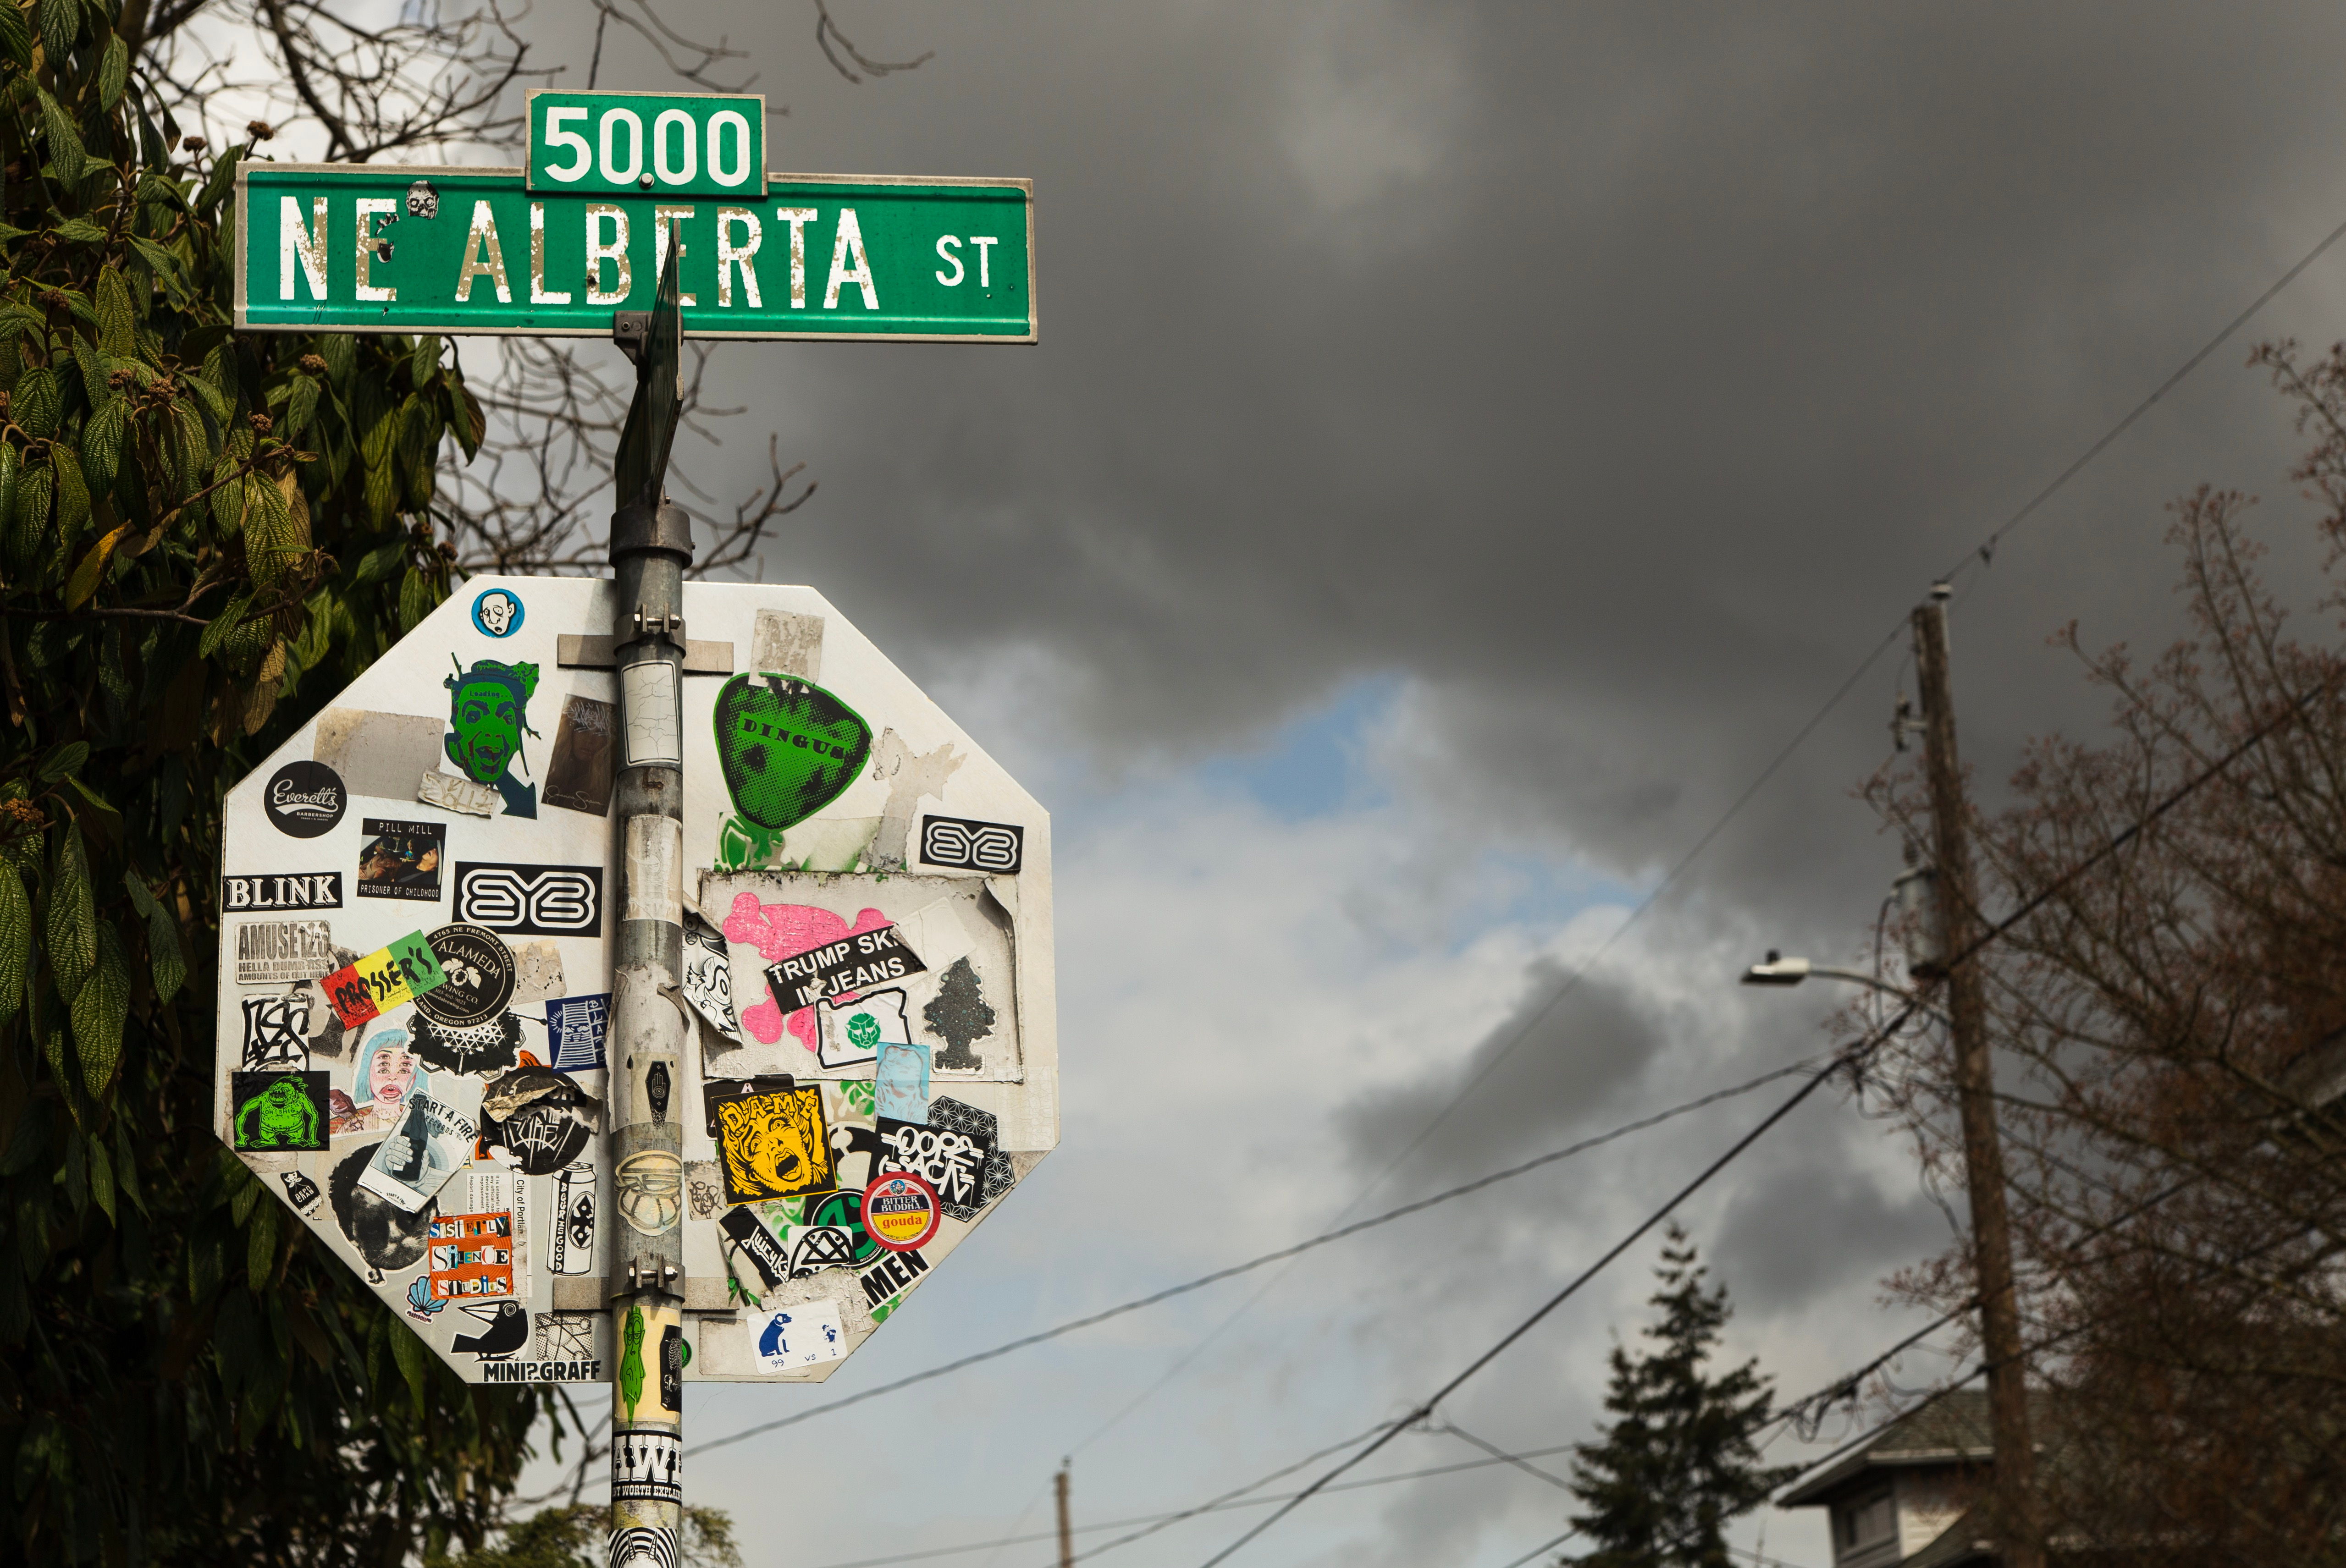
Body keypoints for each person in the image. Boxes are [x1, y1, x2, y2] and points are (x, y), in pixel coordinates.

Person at [444, 657, 541, 818]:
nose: (492, 731)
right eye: (474, 717)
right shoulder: (445, 796)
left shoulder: (526, 803)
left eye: (506, 719)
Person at [330, 1029, 426, 1136]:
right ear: (368, 1071)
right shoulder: (347, 1128)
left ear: (415, 1077)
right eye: (384, 1069)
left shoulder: (420, 1127)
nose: (393, 1077)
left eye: (404, 1070)